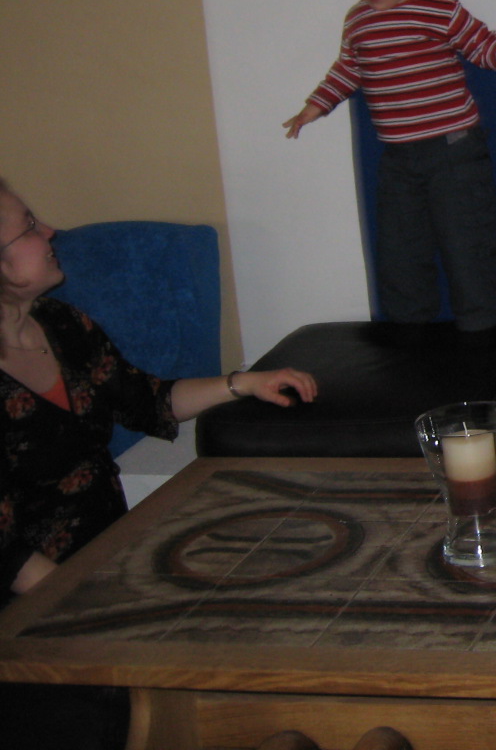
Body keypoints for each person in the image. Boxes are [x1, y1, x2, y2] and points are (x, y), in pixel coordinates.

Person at [0, 179, 317, 747]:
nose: (49, 232)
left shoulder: (63, 325)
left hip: (105, 562)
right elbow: (6, 555)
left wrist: (244, 383)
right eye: (28, 228)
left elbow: (147, 399)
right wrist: (99, 609)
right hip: (30, 610)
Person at [284, 0, 496, 334]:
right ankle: (408, 333)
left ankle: (480, 328)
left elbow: (479, 41)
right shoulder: (358, 22)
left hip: (454, 154)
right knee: (400, 251)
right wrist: (317, 104)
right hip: (398, 161)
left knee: (467, 243)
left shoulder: (438, 7)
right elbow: (348, 69)